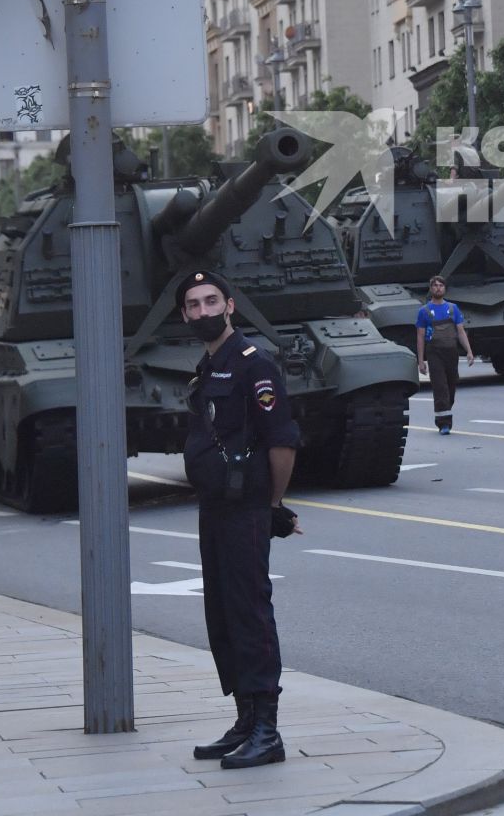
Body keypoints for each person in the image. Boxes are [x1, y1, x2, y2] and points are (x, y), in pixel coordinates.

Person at [180, 271, 301, 770]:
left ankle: (268, 731)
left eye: (212, 301)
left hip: (246, 509)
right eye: (194, 304)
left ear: (230, 305)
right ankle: (245, 719)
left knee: (250, 613)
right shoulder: (208, 367)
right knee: (223, 615)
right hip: (214, 506)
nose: (204, 311)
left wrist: (272, 507)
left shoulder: (254, 365)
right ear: (184, 315)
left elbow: (282, 441)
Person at [415, 275, 474, 434]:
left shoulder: (453, 309)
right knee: (440, 387)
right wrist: (421, 361)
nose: (438, 288)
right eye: (435, 286)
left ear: (445, 289)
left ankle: (446, 409)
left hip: (451, 352)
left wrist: (469, 351)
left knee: (451, 385)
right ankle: (444, 423)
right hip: (434, 353)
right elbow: (420, 337)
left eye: (441, 285)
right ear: (431, 289)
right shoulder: (424, 311)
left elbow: (460, 332)